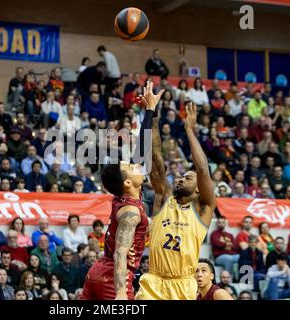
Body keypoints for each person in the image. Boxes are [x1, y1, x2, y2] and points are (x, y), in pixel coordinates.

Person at [82, 82, 161, 300]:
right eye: (132, 166)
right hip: (112, 277)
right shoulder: (130, 213)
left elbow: (142, 148)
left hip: (97, 271)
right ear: (127, 182)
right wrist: (119, 293)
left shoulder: (124, 193)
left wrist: (150, 109)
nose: (137, 165)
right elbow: (120, 253)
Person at [135, 86, 216, 300]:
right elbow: (154, 158)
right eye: (180, 177)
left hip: (183, 284)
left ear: (199, 188)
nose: (180, 178)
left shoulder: (203, 208)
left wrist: (189, 130)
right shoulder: (164, 196)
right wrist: (151, 114)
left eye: (187, 178)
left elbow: (202, 170)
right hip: (154, 281)